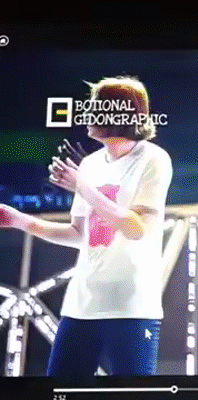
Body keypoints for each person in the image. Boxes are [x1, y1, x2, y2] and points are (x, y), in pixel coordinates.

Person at [0, 76, 172, 381]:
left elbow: (135, 229)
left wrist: (83, 186)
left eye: (95, 106)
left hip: (131, 308)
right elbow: (80, 234)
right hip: (81, 307)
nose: (88, 113)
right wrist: (19, 220)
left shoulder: (153, 159)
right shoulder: (91, 164)